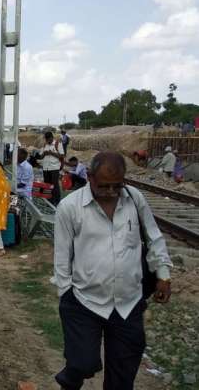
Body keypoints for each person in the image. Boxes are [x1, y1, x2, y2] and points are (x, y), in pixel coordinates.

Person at [53, 151, 172, 390]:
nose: (110, 192)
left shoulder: (134, 199)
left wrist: (163, 274)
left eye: (116, 186)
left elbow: (154, 237)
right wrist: (65, 291)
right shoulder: (70, 207)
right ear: (89, 177)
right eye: (104, 186)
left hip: (128, 302)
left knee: (123, 375)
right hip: (84, 300)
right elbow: (62, 256)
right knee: (83, 363)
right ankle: (73, 375)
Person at [40, 131, 65, 205]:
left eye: (49, 139)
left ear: (52, 137)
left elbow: (62, 156)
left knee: (54, 184)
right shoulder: (45, 145)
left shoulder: (58, 144)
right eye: (46, 140)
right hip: (46, 168)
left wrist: (52, 153)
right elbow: (41, 156)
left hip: (54, 167)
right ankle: (49, 200)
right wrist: (44, 153)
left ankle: (57, 201)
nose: (48, 141)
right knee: (47, 184)